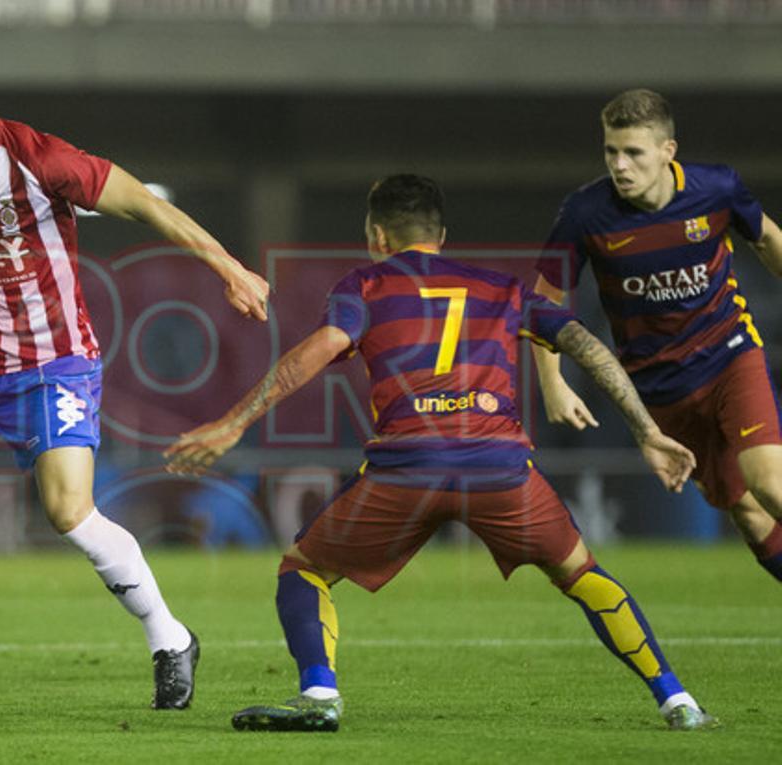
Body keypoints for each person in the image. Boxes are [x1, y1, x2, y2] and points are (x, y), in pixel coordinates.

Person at [165, 174, 715, 731]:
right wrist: (646, 429)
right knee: (581, 573)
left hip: (408, 469)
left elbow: (325, 346)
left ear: (377, 234)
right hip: (499, 469)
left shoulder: (365, 286)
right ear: (442, 235)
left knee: (304, 571)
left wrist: (233, 423)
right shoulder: (502, 288)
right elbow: (585, 343)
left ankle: (320, 695)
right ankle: (677, 699)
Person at [0, 47, 269, 710]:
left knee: (69, 511)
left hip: (53, 366)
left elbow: (145, 204)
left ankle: (170, 638)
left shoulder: (39, 160)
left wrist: (230, 268)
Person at [532, 89, 782, 581]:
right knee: (749, 515)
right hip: (661, 388)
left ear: (668, 151)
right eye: (611, 151)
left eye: (633, 152)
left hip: (731, 356)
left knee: (770, 485)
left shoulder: (716, 188)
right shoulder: (585, 214)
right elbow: (542, 302)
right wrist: (552, 380)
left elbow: (768, 238)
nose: (620, 166)